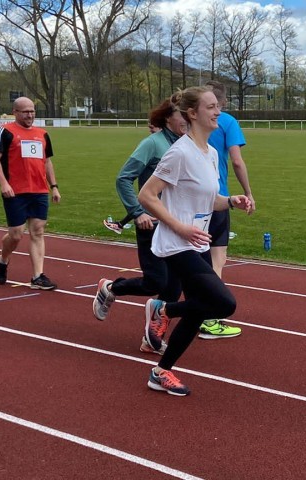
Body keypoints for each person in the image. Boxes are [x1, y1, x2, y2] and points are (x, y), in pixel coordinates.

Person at [137, 85, 252, 396]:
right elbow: (147, 195)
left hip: (197, 240)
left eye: (218, 106)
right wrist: (179, 227)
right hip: (177, 242)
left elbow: (208, 198)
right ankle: (164, 311)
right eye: (211, 107)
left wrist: (231, 201)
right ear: (192, 113)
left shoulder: (211, 153)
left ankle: (161, 371)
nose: (218, 112)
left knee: (200, 308)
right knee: (223, 302)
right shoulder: (180, 152)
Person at [92, 97, 188, 355]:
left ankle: (152, 338)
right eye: (182, 115)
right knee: (155, 281)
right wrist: (137, 212)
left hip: (177, 224)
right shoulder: (152, 144)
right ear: (168, 117)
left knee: (174, 286)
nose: (186, 121)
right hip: (151, 222)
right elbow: (124, 178)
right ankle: (110, 288)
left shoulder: (187, 145)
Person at [197, 80, 255, 340]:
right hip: (217, 196)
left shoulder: (193, 122)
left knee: (193, 258)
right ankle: (209, 318)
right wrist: (249, 193)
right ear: (224, 102)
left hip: (193, 198)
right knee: (217, 259)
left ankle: (174, 307)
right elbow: (237, 161)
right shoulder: (227, 121)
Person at [0, 97, 61, 290]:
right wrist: (3, 183)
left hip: (39, 190)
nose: (30, 115)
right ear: (15, 112)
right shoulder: (5, 131)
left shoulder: (42, 134)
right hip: (15, 191)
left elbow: (47, 161)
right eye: (25, 111)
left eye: (32, 111)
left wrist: (54, 186)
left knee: (38, 231)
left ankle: (37, 276)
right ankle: (3, 260)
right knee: (16, 235)